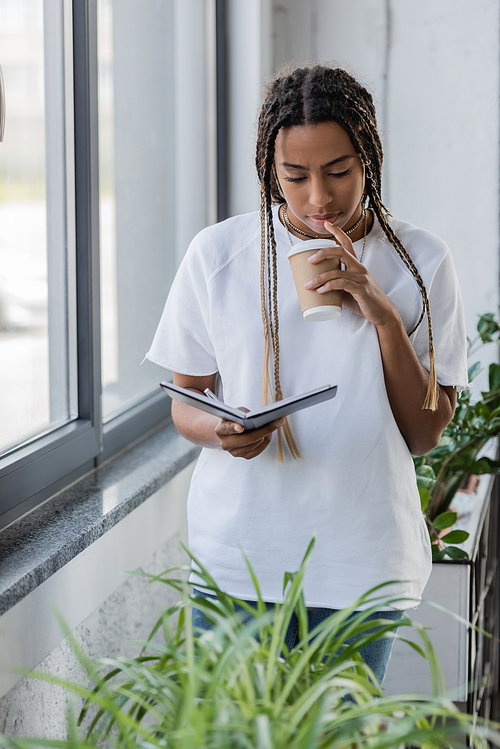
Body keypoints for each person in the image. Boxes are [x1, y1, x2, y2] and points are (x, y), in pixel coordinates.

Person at [145, 65, 468, 684]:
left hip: (363, 556)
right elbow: (185, 400)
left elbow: (426, 434)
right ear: (271, 171)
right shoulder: (217, 253)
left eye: (339, 171)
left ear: (369, 157)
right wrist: (220, 432)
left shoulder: (422, 260)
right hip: (238, 557)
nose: (319, 197)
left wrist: (382, 317)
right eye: (295, 176)